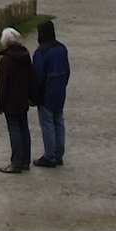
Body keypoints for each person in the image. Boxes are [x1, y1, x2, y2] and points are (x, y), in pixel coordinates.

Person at [32, 19, 70, 168]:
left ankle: (49, 156)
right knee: (58, 121)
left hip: (46, 92)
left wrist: (34, 94)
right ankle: (58, 154)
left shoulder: (41, 52)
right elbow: (67, 70)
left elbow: (38, 76)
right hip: (59, 89)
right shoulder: (61, 48)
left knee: (47, 123)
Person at [0, 26, 34, 173]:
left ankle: (16, 162)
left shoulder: (6, 60)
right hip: (22, 98)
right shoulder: (25, 56)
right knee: (23, 128)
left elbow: (3, 85)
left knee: (14, 130)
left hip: (10, 101)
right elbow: (31, 77)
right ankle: (25, 160)